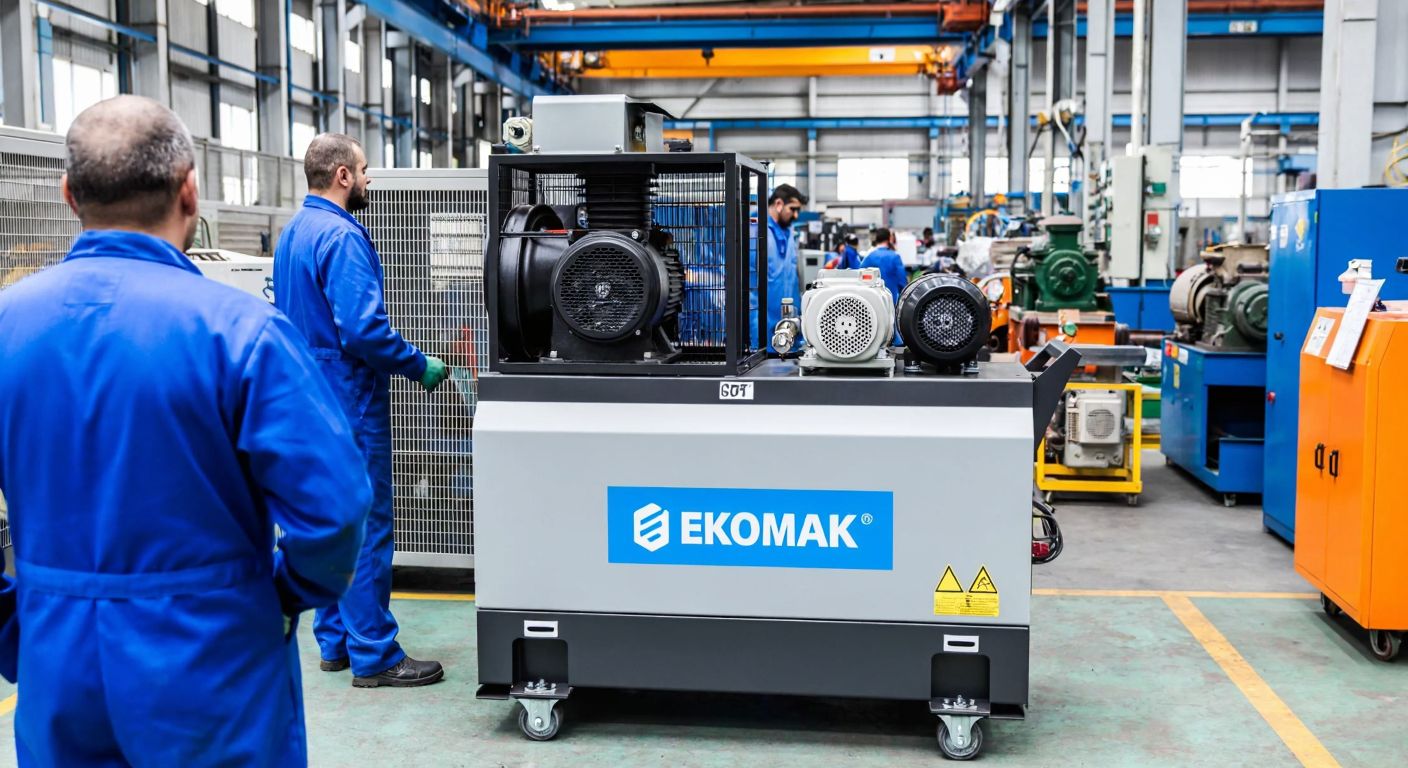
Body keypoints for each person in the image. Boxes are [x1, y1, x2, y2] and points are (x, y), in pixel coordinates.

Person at [0, 95, 372, 766]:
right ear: (190, 191)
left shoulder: (7, 325)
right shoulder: (241, 333)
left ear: (68, 194)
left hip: (56, 661)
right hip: (212, 657)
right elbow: (336, 511)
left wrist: (13, 623)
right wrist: (284, 595)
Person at [274, 134, 451, 688]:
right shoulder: (342, 236)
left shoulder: (293, 233)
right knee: (367, 523)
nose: (370, 180)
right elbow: (363, 329)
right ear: (343, 176)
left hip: (307, 395)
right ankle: (375, 654)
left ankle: (335, 643)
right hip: (350, 395)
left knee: (329, 519)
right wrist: (419, 365)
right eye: (365, 170)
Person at [752, 183, 807, 351]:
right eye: (793, 209)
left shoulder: (789, 233)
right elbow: (748, 286)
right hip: (762, 331)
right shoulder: (755, 232)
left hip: (789, 326)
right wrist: (754, 335)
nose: (796, 215)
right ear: (778, 204)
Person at [861, 227, 909, 307]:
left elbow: (859, 277)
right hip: (891, 302)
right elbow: (902, 281)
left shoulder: (869, 257)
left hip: (872, 302)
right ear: (889, 238)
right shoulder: (895, 257)